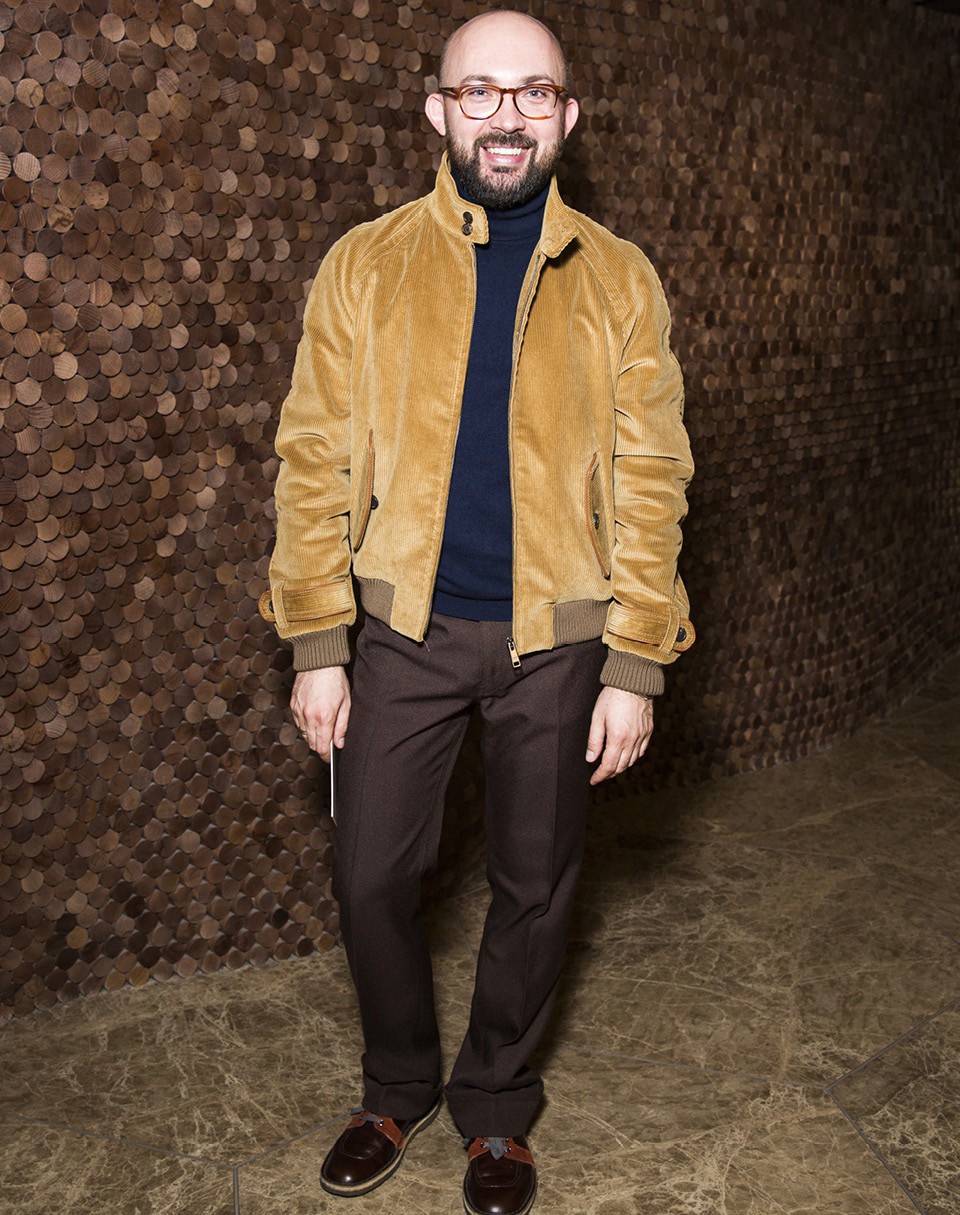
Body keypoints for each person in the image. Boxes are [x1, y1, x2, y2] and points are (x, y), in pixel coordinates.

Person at [260, 10, 694, 1214]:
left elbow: (654, 477)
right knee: (370, 880)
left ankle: (496, 1106)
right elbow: (312, 459)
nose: (508, 114)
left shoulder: (619, 277)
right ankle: (396, 1084)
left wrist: (634, 662)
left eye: (534, 91)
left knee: (536, 885)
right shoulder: (365, 264)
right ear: (438, 110)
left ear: (568, 115)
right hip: (400, 638)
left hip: (561, 645)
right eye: (481, 91)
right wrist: (319, 643)